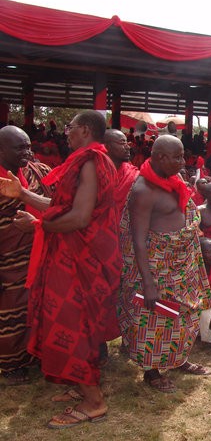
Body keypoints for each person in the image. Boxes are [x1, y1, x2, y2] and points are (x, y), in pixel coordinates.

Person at [0, 111, 120, 428]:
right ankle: (80, 386)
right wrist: (23, 194)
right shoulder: (83, 160)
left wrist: (38, 226)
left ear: (84, 130)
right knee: (76, 326)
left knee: (68, 326)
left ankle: (93, 402)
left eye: (69, 128)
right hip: (73, 256)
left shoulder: (92, 161)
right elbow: (61, 206)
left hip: (83, 258)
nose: (65, 133)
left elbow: (79, 218)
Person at [118, 135, 211, 395]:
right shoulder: (143, 190)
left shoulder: (173, 180)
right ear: (160, 157)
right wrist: (147, 282)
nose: (183, 162)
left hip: (181, 263)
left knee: (183, 315)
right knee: (155, 319)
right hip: (158, 266)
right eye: (178, 157)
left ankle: (178, 359)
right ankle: (152, 371)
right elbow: (137, 238)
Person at [0, 126, 52, 385]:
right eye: (19, 147)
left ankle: (36, 356)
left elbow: (59, 200)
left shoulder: (38, 171)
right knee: (11, 313)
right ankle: (11, 365)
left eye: (28, 146)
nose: (27, 152)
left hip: (42, 254)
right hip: (9, 262)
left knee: (39, 308)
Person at [103, 129, 139, 216]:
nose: (128, 147)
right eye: (122, 143)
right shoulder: (92, 173)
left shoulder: (134, 175)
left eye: (127, 143)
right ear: (106, 146)